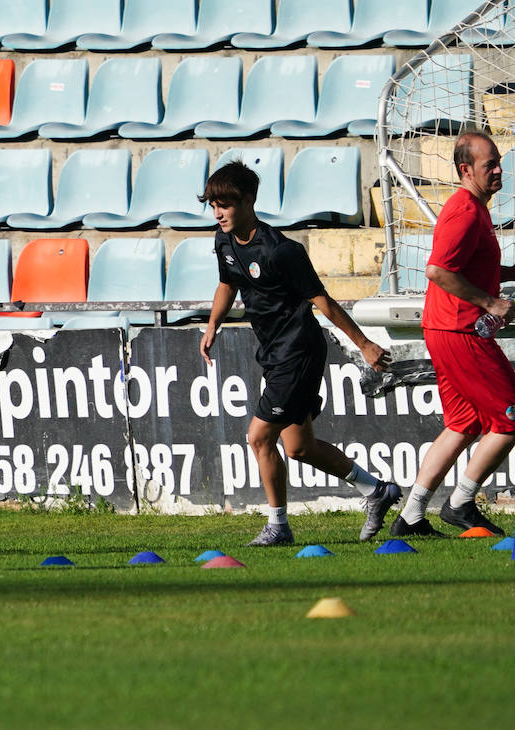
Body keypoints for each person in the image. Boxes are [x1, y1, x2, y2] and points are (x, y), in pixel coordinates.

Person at [199, 160, 400, 546]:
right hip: (273, 352)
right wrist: (212, 326)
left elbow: (323, 302)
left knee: (258, 438)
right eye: (213, 205)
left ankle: (278, 526)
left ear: (249, 201)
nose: (219, 212)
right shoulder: (222, 240)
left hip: (299, 352)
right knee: (299, 447)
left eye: (226, 204)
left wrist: (364, 345)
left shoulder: (281, 251)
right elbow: (227, 283)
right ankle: (377, 491)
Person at [393, 131, 513, 537]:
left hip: (446, 328)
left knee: (462, 422)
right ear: (466, 170)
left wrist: (503, 279)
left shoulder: (475, 208)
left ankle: (411, 515)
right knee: (511, 417)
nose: (499, 170)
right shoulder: (464, 210)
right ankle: (461, 503)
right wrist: (491, 303)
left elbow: (468, 266)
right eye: (489, 165)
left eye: (498, 162)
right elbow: (438, 271)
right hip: (461, 329)